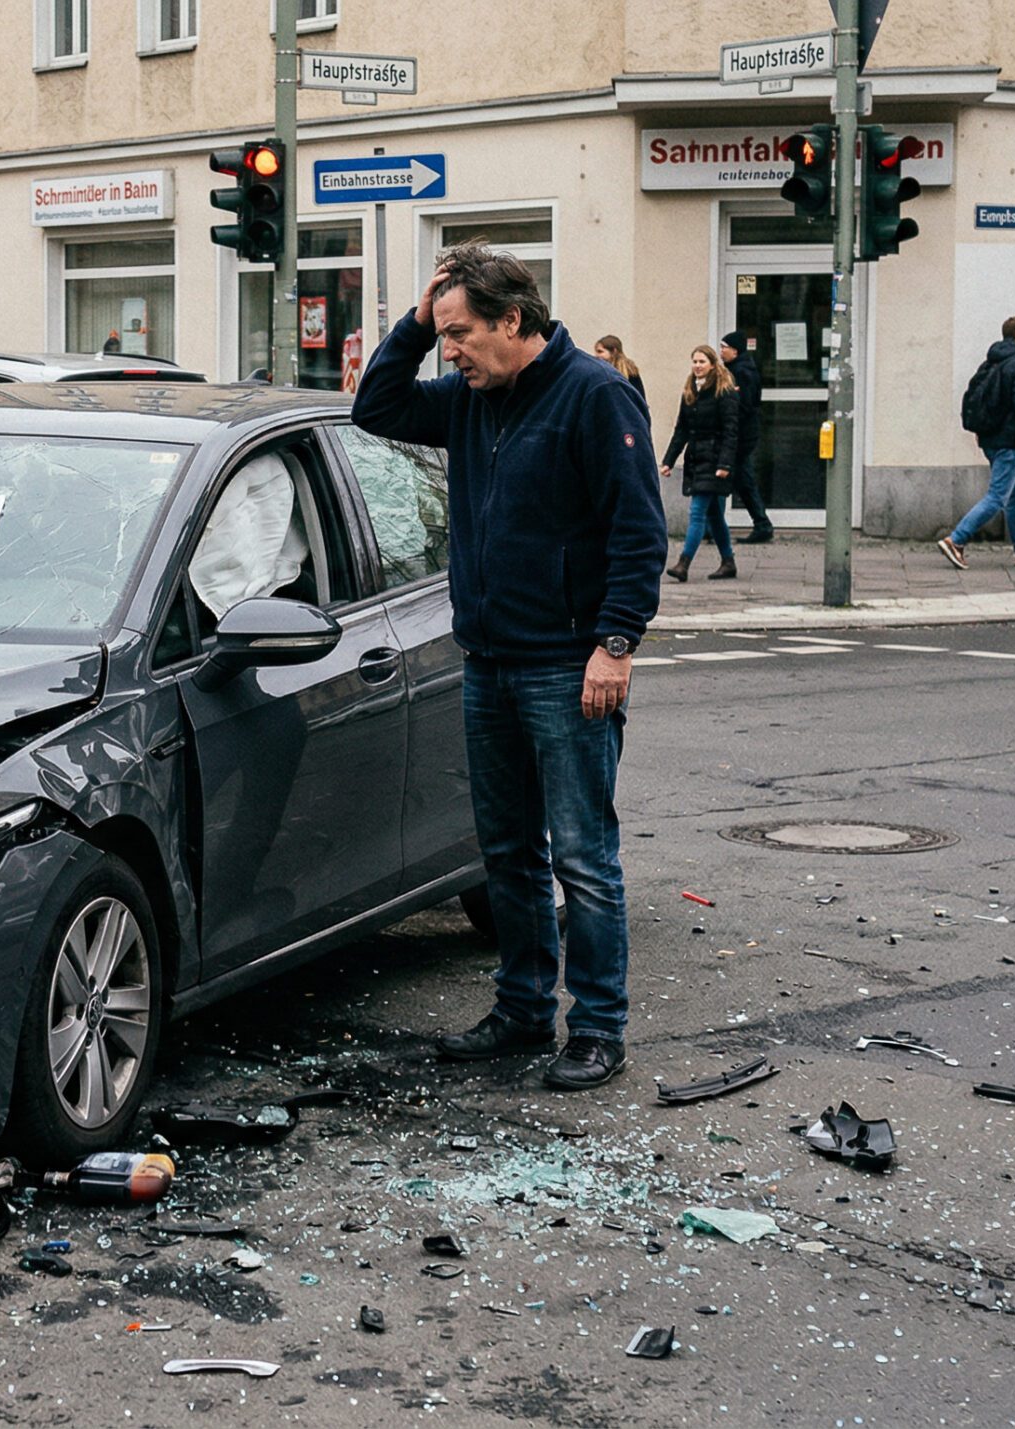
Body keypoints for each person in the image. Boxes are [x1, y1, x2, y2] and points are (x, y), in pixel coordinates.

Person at [351, 240, 663, 1092]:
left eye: (460, 333)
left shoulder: (596, 397)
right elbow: (373, 407)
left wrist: (615, 643)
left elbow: (640, 533)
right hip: (486, 661)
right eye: (443, 335)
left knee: (583, 858)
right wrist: (419, 319)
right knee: (508, 853)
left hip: (570, 668)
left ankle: (598, 1026)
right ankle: (523, 1010)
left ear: (513, 320)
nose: (450, 352)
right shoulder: (466, 399)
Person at [938, 315, 1015, 569]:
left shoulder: (991, 362)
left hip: (991, 438)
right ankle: (956, 540)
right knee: (997, 497)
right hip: (1009, 440)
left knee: (1014, 498)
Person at [660, 345, 740, 583]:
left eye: (702, 362)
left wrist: (725, 464)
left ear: (713, 365)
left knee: (697, 513)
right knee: (714, 515)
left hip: (715, 461)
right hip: (697, 460)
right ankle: (728, 562)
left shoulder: (723, 392)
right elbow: (681, 429)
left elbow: (731, 431)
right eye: (694, 361)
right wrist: (668, 460)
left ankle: (683, 563)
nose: (697, 366)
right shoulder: (690, 392)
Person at [717, 331, 775, 543]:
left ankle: (761, 524)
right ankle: (760, 523)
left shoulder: (742, 372)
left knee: (736, 479)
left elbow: (744, 405)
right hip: (740, 434)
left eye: (724, 347)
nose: (721, 351)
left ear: (735, 350)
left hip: (740, 435)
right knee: (740, 479)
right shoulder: (735, 369)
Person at [591, 335, 644, 405]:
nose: (596, 356)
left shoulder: (628, 372)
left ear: (613, 351)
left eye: (600, 352)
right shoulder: (630, 370)